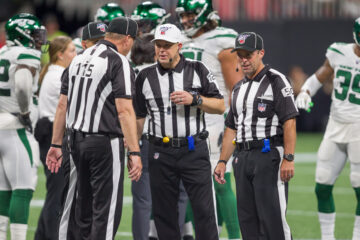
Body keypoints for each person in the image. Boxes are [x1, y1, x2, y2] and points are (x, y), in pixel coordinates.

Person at [46, 17, 142, 240]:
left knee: (83, 207)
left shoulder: (78, 59)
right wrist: (135, 151)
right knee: (106, 212)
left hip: (76, 142)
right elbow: (125, 111)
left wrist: (55, 143)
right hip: (105, 143)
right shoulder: (117, 61)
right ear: (128, 39)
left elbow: (62, 105)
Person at [134, 23, 224, 240]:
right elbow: (138, 117)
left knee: (204, 211)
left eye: (167, 45)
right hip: (159, 151)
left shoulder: (198, 69)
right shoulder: (145, 76)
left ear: (179, 47)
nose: (162, 50)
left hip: (194, 149)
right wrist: (134, 150)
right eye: (158, 45)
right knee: (164, 214)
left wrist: (196, 99)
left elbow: (220, 106)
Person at [214, 32, 298, 240]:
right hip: (242, 157)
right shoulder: (238, 88)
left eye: (248, 54)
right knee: (248, 221)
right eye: (240, 55)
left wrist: (288, 158)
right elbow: (231, 128)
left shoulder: (276, 80)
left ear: (261, 53)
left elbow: (290, 121)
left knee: (274, 221)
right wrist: (223, 161)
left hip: (268, 155)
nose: (244, 60)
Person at [176, 0, 242, 238]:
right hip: (189, 120)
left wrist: (233, 124)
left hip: (215, 118)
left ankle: (234, 236)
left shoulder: (223, 40)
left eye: (190, 15)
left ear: (205, 14)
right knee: (193, 184)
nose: (185, 21)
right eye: (183, 16)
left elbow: (236, 89)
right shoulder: (183, 39)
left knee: (220, 181)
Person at [295, 18, 360, 240]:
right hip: (335, 125)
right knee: (322, 186)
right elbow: (320, 75)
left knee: (359, 188)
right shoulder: (339, 52)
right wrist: (305, 91)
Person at [0, 13, 46, 240]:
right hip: (16, 128)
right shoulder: (25, 55)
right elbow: (21, 83)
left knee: (3, 191)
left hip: (0, 125)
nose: (38, 39)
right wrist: (25, 111)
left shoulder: (2, 53)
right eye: (35, 34)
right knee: (23, 189)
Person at [34, 35, 76, 240]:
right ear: (60, 55)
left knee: (55, 190)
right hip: (54, 134)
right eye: (72, 51)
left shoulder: (52, 72)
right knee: (57, 193)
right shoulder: (59, 75)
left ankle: (42, 236)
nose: (75, 55)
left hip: (47, 131)